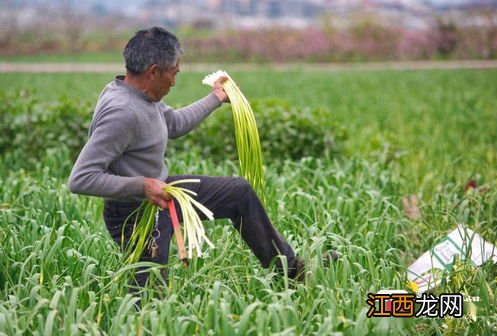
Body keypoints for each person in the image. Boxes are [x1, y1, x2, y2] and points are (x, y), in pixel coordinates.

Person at [68, 27, 315, 291]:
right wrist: (143, 186)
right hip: (135, 213)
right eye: (173, 73)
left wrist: (217, 98)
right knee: (149, 294)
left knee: (239, 193)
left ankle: (290, 271)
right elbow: (81, 178)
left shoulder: (144, 95)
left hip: (164, 193)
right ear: (153, 71)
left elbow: (173, 123)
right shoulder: (123, 111)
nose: (174, 82)